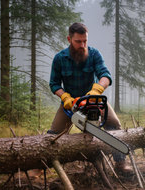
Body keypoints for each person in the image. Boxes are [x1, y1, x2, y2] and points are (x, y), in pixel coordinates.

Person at [48, 22, 132, 175]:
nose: (82, 45)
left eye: (85, 41)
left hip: (92, 99)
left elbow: (105, 75)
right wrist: (65, 96)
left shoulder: (94, 54)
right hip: (70, 103)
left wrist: (97, 89)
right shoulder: (60, 58)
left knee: (114, 124)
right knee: (54, 134)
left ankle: (120, 162)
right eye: (78, 41)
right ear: (69, 39)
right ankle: (41, 167)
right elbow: (54, 83)